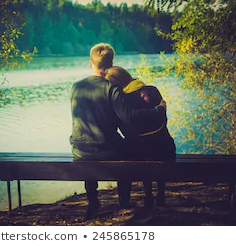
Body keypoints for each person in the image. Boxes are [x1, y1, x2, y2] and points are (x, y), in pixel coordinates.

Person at [69, 43, 167, 219]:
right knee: (128, 149)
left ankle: (92, 198)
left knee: (88, 147)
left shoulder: (76, 87)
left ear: (90, 63)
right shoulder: (112, 88)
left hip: (79, 149)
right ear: (111, 63)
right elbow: (130, 117)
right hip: (106, 150)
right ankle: (123, 201)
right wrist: (158, 110)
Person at [104, 66, 176, 207]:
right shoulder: (152, 90)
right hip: (165, 148)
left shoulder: (122, 100)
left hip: (140, 151)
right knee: (155, 145)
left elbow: (124, 128)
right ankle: (160, 193)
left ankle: (147, 195)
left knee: (137, 149)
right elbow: (163, 119)